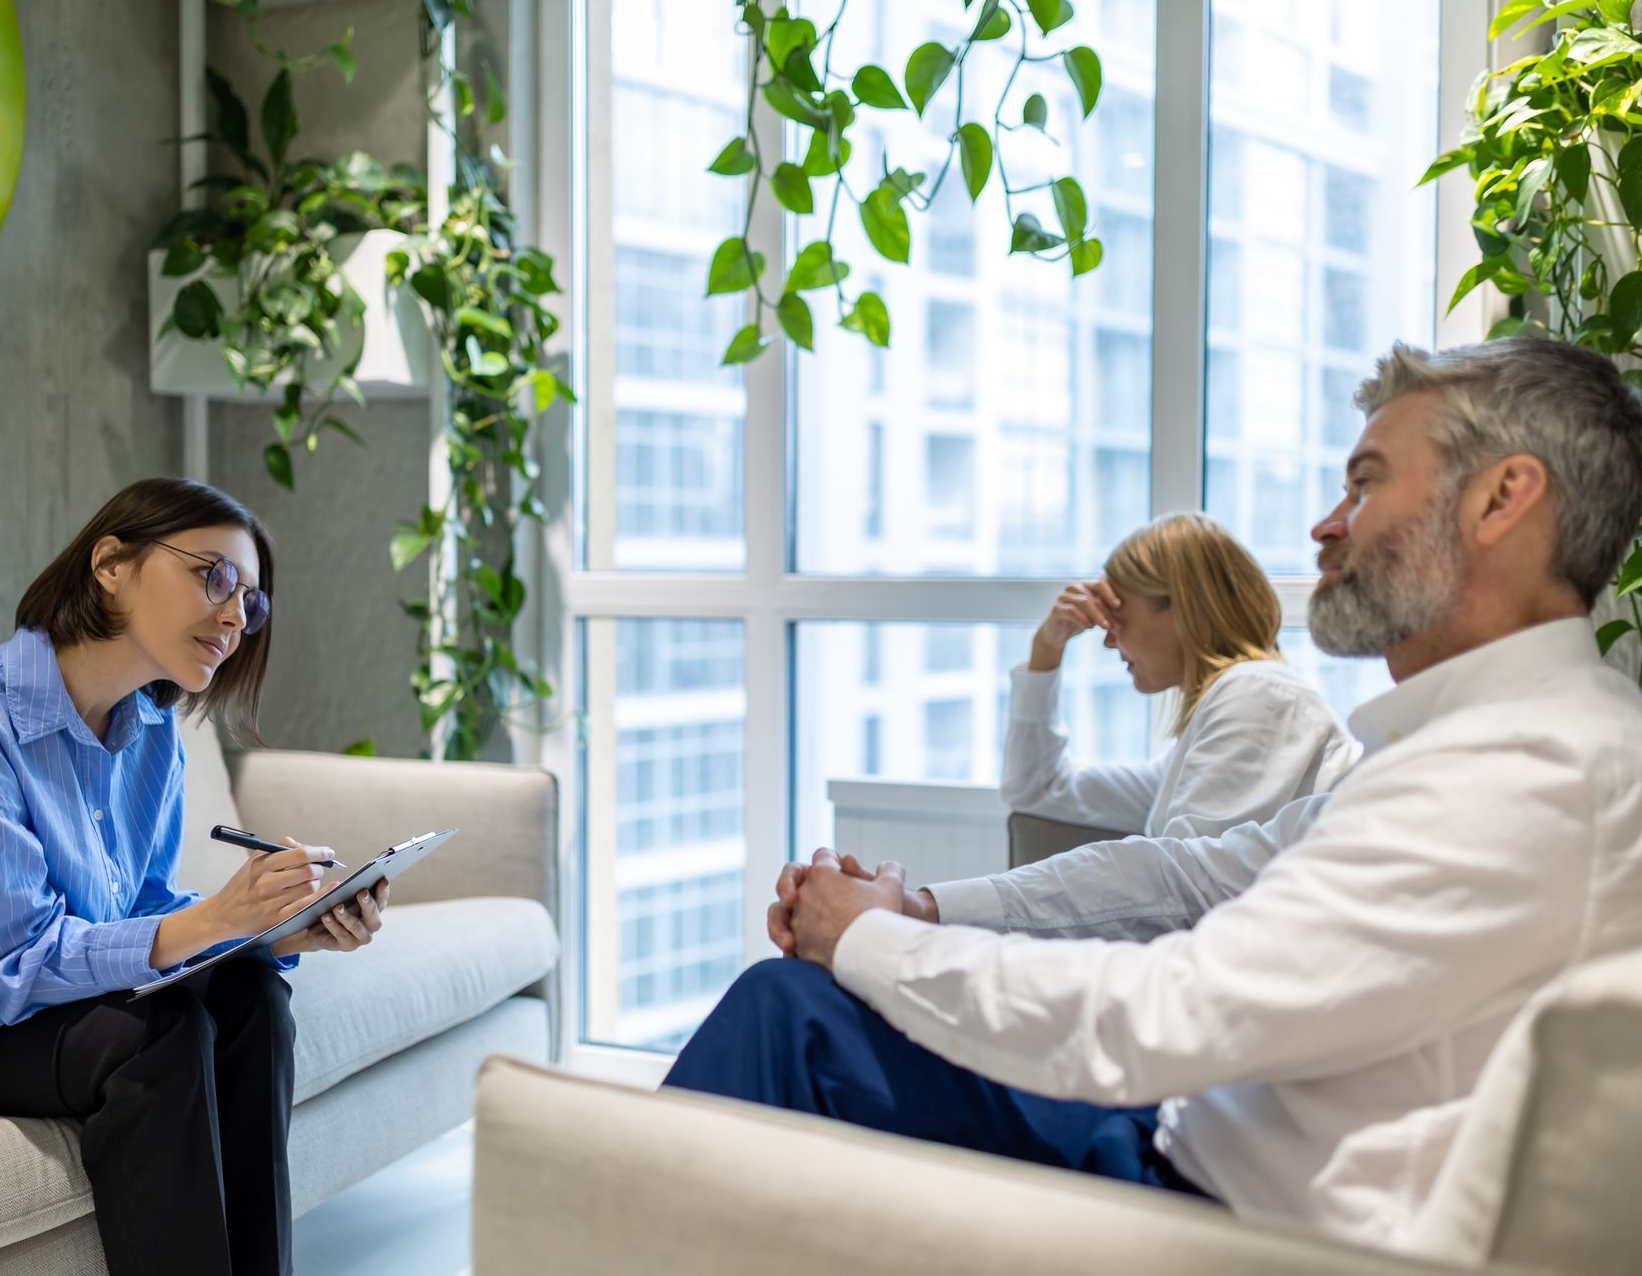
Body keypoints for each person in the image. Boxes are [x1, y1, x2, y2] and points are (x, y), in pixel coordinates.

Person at [666, 338, 1642, 1257]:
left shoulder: (1520, 773)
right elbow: (1185, 868)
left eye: (1366, 480)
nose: (1326, 522)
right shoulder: (1481, 743)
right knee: (802, 1009)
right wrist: (915, 909)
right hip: (1193, 1130)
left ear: (1502, 497)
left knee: (786, 1014)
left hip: (1211, 1206)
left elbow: (1164, 1012)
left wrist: (871, 936)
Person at [0, 478, 378, 1276]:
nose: (237, 615)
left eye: (252, 602)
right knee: (153, 1035)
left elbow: (129, 911)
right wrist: (212, 921)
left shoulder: (149, 729)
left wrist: (265, 930)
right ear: (111, 563)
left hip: (10, 1009)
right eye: (215, 576)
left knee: (250, 997)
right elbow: (3, 965)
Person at [1006, 511, 1359, 843]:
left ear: (1185, 610)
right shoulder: (1200, 744)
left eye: (1117, 618)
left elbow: (1187, 888)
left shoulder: (1258, 694)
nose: (1109, 641)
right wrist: (1046, 650)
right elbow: (1037, 790)